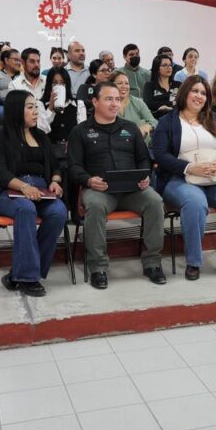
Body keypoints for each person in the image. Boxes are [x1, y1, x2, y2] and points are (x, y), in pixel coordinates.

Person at [67, 81, 167, 289]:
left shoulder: (130, 128)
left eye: (118, 99)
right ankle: (98, 267)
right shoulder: (80, 131)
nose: (115, 104)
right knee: (95, 206)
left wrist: (145, 176)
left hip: (133, 189)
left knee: (155, 202)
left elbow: (144, 159)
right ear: (95, 102)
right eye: (109, 99)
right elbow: (73, 167)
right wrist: (88, 180)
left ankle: (152, 263)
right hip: (100, 190)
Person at [152, 75, 216, 281]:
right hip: (179, 178)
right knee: (195, 202)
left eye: (203, 93)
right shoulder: (167, 121)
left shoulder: (214, 118)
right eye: (194, 91)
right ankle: (194, 261)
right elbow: (160, 155)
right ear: (184, 93)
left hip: (215, 177)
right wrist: (189, 168)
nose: (199, 96)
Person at [0, 90, 69, 298]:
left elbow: (56, 165)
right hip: (10, 190)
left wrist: (55, 181)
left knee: (59, 211)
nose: (35, 112)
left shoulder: (41, 135)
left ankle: (19, 274)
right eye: (30, 107)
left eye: (36, 107)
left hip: (41, 189)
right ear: (16, 110)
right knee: (26, 209)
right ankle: (28, 278)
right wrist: (24, 187)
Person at [111, 70, 157, 145]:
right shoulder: (107, 105)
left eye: (127, 83)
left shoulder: (138, 102)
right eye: (119, 83)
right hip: (117, 146)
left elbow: (154, 122)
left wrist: (147, 126)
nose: (124, 86)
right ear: (111, 86)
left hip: (142, 146)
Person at [41, 66, 83, 146]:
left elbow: (82, 131)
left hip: (72, 149)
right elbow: (41, 131)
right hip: (50, 150)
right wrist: (50, 108)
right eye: (55, 83)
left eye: (62, 83)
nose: (59, 86)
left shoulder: (78, 104)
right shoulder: (41, 105)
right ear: (49, 85)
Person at [11, 48, 47, 130]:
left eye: (38, 61)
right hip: (24, 128)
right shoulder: (15, 85)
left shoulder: (47, 82)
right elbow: (15, 113)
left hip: (49, 126)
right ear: (23, 63)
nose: (36, 65)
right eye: (32, 61)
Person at [0, 48, 22, 125]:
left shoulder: (23, 77)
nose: (19, 63)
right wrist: (4, 102)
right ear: (6, 60)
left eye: (20, 60)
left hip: (19, 105)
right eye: (16, 60)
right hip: (1, 105)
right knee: (0, 113)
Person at [143, 54, 178, 119]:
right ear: (157, 68)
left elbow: (183, 103)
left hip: (176, 117)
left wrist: (169, 107)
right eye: (165, 65)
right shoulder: (149, 85)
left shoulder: (179, 85)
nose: (169, 67)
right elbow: (149, 104)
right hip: (157, 119)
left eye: (170, 65)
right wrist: (173, 103)